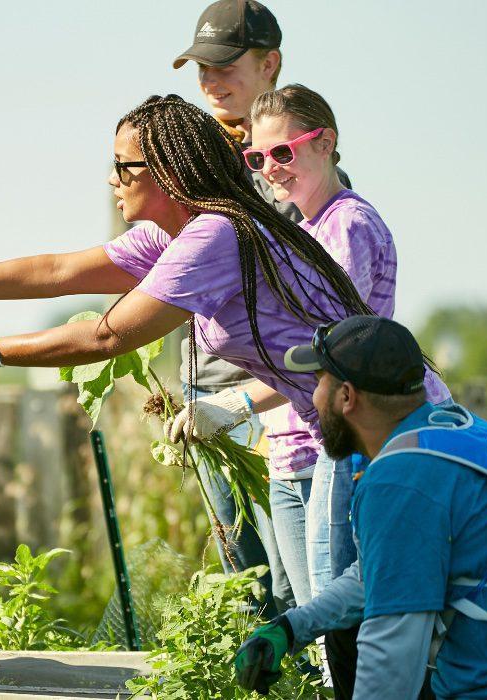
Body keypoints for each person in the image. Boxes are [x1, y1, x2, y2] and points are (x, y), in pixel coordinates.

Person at [0, 97, 447, 543]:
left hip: (392, 426)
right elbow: (57, 271)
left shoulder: (215, 235)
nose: (111, 179)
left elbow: (109, 334)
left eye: (122, 167)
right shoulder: (176, 235)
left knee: (354, 620)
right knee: (342, 620)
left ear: (167, 172)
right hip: (349, 429)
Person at [175, 83, 415, 694]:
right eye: (256, 159)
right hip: (296, 443)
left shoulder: (347, 226)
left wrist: (233, 404)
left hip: (344, 444)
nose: (269, 169)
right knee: (308, 612)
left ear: (326, 143)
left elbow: (337, 357)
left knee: (337, 619)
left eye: (283, 152)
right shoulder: (302, 231)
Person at [234, 316, 487, 698]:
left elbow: (392, 656)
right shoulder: (451, 432)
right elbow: (379, 573)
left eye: (318, 382)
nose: (312, 398)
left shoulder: (399, 480)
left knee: (360, 642)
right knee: (343, 633)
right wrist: (291, 628)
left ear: (347, 397)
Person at [168, 0, 363, 618]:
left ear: (271, 64)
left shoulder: (289, 169)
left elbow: (325, 317)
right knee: (243, 583)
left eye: (225, 65)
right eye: (201, 68)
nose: (210, 81)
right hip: (205, 397)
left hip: (269, 404)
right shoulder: (200, 161)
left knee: (291, 587)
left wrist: (239, 405)